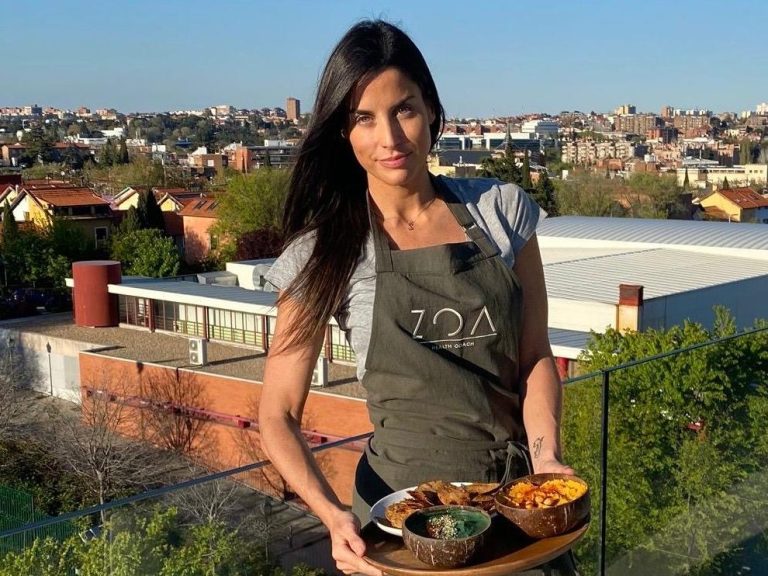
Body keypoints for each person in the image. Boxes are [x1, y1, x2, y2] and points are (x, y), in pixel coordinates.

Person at [259, 20, 578, 576]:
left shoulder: (501, 212)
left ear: (431, 109)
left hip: (514, 505)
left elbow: (535, 357)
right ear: (343, 131)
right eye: (364, 118)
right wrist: (332, 516)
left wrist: (546, 458)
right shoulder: (325, 251)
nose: (390, 137)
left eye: (403, 109)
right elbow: (277, 414)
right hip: (402, 524)